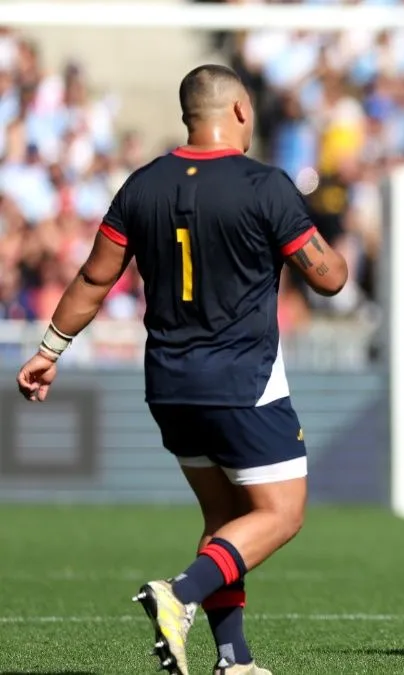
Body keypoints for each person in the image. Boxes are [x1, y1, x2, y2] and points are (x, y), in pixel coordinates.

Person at [15, 64, 348, 675]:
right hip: (242, 382)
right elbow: (328, 279)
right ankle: (180, 592)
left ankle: (234, 660)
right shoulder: (265, 185)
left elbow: (95, 277)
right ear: (242, 112)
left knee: (224, 521)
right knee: (280, 514)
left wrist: (49, 349)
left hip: (168, 384)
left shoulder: (141, 185)